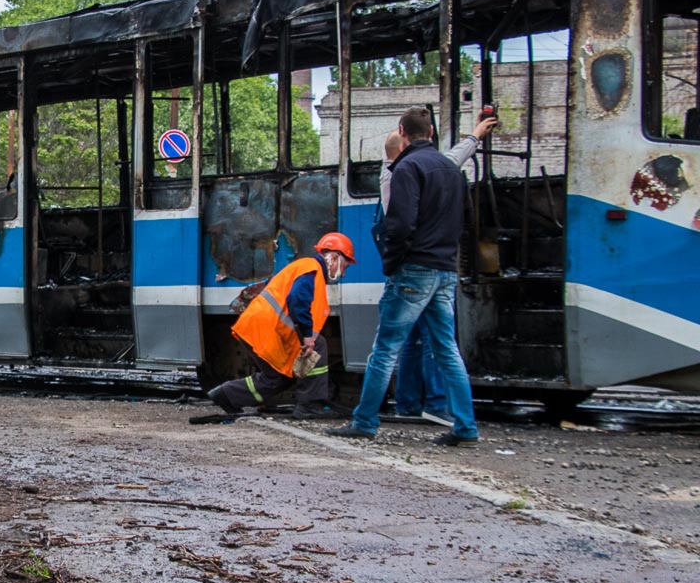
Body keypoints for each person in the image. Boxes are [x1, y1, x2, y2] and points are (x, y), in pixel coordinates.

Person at [327, 106, 479, 446]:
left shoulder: (407, 167)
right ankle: (465, 426)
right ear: (431, 133)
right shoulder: (450, 169)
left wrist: (392, 264)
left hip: (413, 269)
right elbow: (464, 219)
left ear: (403, 131)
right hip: (445, 270)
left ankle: (364, 420)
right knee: (446, 349)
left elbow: (400, 224)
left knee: (385, 348)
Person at [383, 114, 498, 426]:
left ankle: (406, 404)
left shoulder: (398, 171)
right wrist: (475, 135)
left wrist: (475, 134)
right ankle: (437, 405)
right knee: (437, 343)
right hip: (423, 267)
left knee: (407, 340)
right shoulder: (406, 172)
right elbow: (449, 161)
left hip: (409, 268)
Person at [208, 232, 356, 417]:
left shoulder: (306, 268)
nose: (343, 273)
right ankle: (310, 404)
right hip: (264, 330)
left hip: (261, 328)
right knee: (318, 345)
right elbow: (297, 300)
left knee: (278, 378)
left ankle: (226, 395)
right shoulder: (311, 269)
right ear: (334, 258)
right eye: (345, 266)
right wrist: (307, 336)